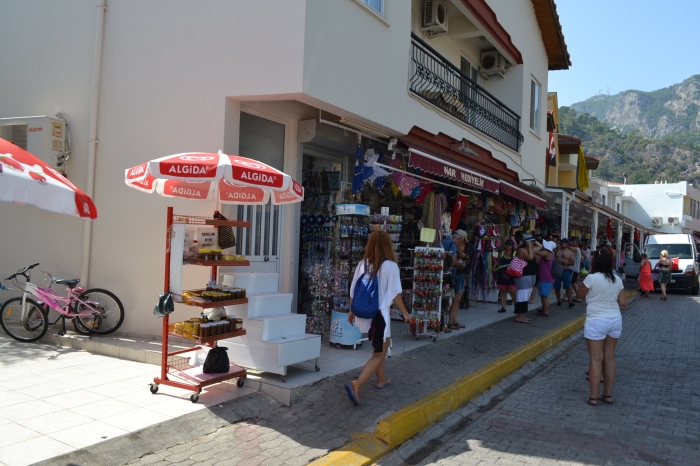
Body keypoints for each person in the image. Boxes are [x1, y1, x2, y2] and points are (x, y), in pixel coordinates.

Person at [345, 230, 411, 406]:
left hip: (363, 313)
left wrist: (352, 311)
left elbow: (353, 291)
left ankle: (381, 380)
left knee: (378, 348)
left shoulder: (363, 264)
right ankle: (357, 385)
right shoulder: (391, 266)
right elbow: (396, 294)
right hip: (379, 316)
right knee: (380, 353)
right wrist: (405, 313)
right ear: (388, 245)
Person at [576, 248, 626, 406]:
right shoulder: (617, 279)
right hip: (615, 319)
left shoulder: (591, 278)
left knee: (596, 359)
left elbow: (579, 295)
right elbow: (623, 302)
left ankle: (593, 397)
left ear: (595, 263)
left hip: (596, 320)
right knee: (609, 358)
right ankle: (607, 395)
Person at [441, 230, 468, 331]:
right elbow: (454, 262)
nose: (463, 242)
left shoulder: (445, 241)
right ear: (461, 238)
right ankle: (451, 322)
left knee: (452, 300)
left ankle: (453, 321)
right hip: (452, 275)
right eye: (463, 240)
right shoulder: (452, 244)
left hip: (446, 274)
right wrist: (461, 265)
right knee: (455, 300)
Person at [513, 234, 541, 324]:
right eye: (531, 242)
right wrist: (529, 246)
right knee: (522, 296)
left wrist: (533, 240)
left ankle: (522, 315)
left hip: (530, 275)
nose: (533, 243)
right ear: (526, 243)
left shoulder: (530, 250)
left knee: (525, 297)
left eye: (533, 242)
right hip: (523, 276)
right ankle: (519, 316)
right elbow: (530, 257)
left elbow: (540, 246)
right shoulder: (521, 250)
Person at [496, 239, 517, 313]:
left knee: (513, 291)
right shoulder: (502, 253)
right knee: (503, 290)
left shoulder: (515, 253)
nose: (508, 245)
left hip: (512, 275)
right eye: (507, 244)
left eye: (509, 244)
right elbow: (498, 261)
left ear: (512, 246)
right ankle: (503, 307)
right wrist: (494, 267)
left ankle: (516, 306)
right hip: (502, 274)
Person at [554, 238, 576, 308]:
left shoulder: (570, 252)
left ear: (567, 244)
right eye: (562, 242)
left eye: (564, 242)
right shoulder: (556, 250)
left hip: (566, 270)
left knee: (568, 287)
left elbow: (573, 262)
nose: (562, 243)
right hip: (558, 271)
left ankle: (570, 302)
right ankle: (559, 301)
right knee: (557, 287)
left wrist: (567, 262)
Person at [536, 240, 555, 317]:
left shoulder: (547, 253)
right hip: (545, 277)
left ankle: (546, 311)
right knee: (543, 295)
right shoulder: (550, 253)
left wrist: (536, 246)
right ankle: (543, 309)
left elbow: (537, 253)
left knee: (544, 296)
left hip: (546, 278)